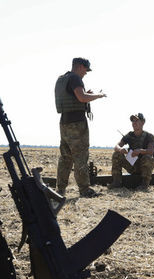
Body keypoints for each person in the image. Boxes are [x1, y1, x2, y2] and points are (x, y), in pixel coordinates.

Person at [54, 57, 106, 197]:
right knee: (81, 157)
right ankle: (84, 190)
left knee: (65, 158)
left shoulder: (62, 79)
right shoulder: (75, 78)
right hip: (77, 123)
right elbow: (82, 98)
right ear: (80, 67)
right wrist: (98, 95)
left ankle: (60, 190)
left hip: (64, 122)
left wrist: (87, 95)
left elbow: (75, 97)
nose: (86, 73)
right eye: (86, 69)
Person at [109, 113, 154, 190]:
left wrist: (140, 151)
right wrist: (121, 150)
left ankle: (144, 184)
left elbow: (151, 151)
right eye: (133, 121)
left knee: (148, 157)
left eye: (137, 120)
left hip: (143, 167)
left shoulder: (149, 136)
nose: (134, 123)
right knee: (116, 154)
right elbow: (117, 146)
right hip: (132, 165)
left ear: (143, 122)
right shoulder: (129, 135)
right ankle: (117, 182)